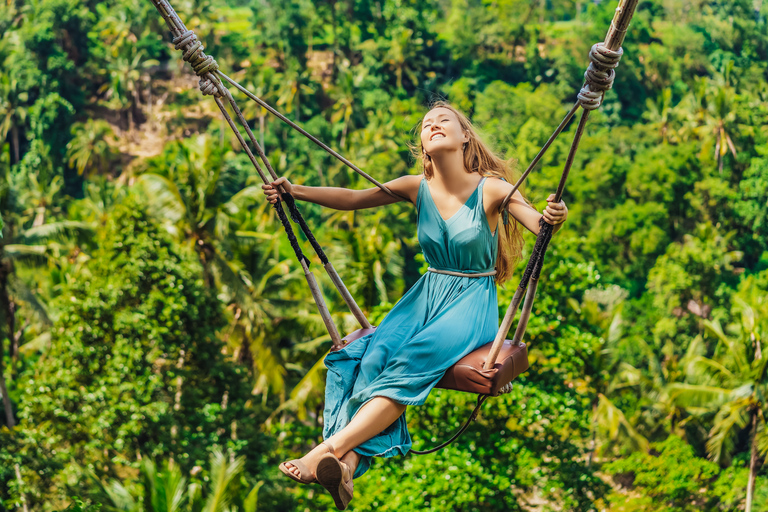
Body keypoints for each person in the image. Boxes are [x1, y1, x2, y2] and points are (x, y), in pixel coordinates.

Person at [262, 102, 568, 510]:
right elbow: (354, 198)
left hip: (470, 300)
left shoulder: (491, 188)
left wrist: (552, 216)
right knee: (371, 362)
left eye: (445, 121)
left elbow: (535, 222)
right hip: (425, 294)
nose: (435, 125)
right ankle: (348, 467)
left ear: (464, 138)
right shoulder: (414, 186)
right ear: (424, 145)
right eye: (428, 124)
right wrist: (292, 191)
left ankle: (324, 451)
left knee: (408, 365)